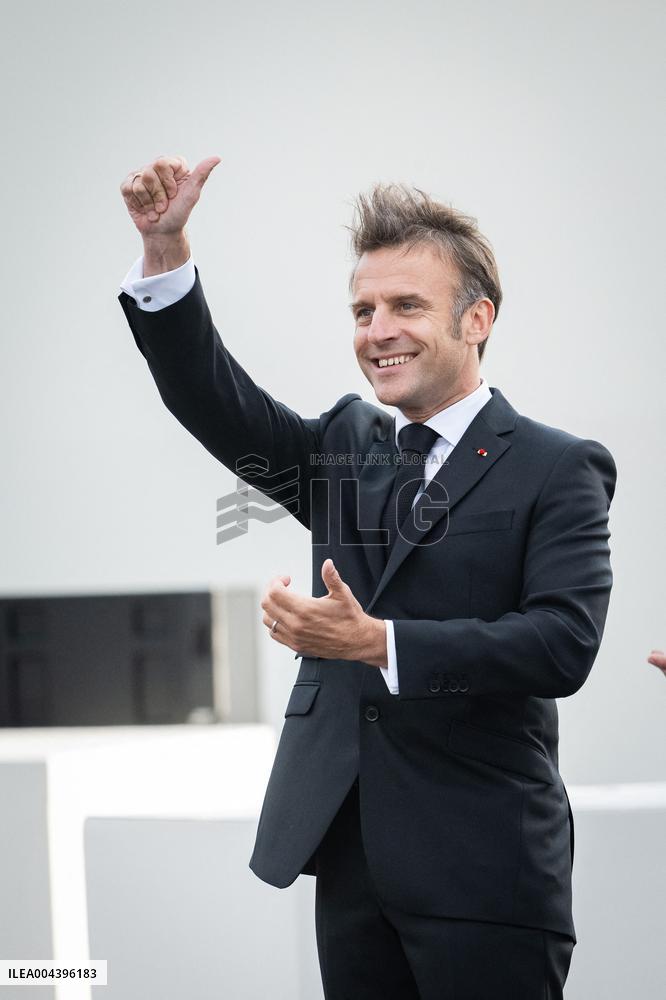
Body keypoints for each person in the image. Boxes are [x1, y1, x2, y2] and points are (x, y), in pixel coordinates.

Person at [118, 155, 617, 999]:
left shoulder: (557, 466)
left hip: (487, 872)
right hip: (352, 868)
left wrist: (379, 642)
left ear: (478, 320)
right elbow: (214, 400)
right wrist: (165, 253)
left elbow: (562, 645)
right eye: (363, 310)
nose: (377, 329)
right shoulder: (344, 446)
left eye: (405, 306)